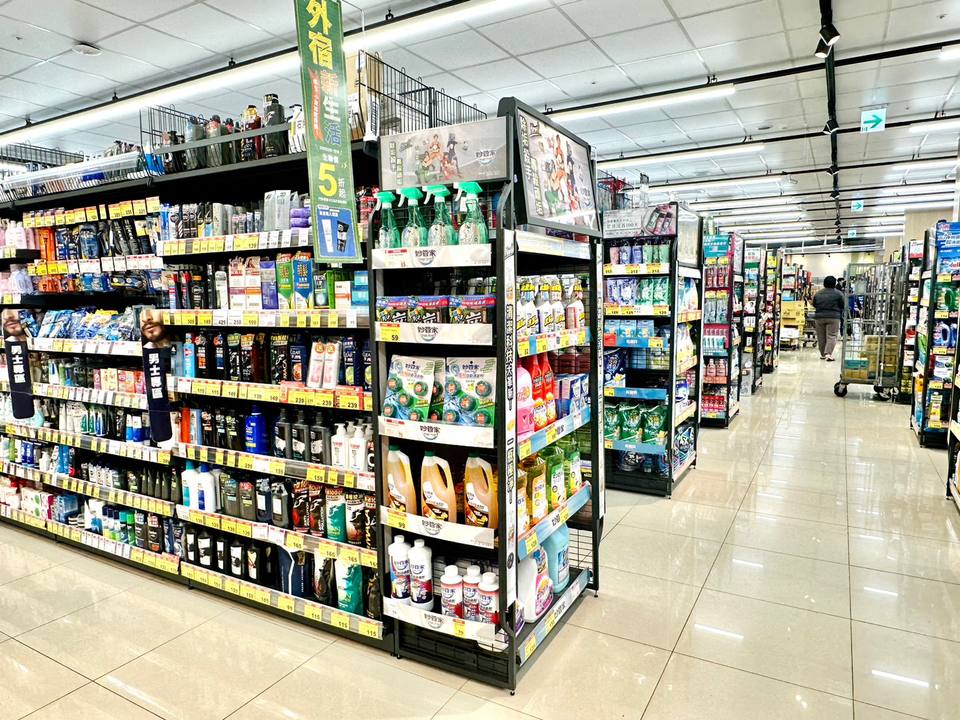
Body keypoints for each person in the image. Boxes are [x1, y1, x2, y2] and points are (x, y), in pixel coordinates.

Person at [812, 275, 845, 360]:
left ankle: (823, 354)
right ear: (834, 284)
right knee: (832, 335)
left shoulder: (818, 293)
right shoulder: (839, 293)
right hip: (833, 317)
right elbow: (843, 305)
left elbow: (814, 304)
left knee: (821, 336)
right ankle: (828, 354)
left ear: (824, 283)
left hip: (819, 317)